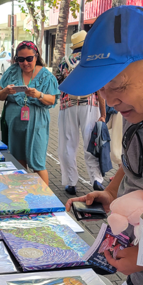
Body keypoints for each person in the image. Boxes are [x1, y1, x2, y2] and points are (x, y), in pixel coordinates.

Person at [58, 5, 143, 285]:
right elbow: (131, 162)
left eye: (120, 86)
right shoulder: (138, 118)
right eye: (103, 90)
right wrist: (112, 192)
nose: (110, 101)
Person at [0, 42, 60, 185]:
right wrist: (6, 91)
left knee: (37, 163)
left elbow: (52, 100)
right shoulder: (12, 71)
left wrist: (39, 95)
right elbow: (0, 96)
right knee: (18, 163)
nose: (25, 63)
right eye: (20, 59)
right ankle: (23, 197)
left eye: (29, 59)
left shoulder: (46, 76)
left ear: (36, 56)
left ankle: (45, 201)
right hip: (14, 126)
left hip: (36, 125)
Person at [55, 30, 106, 195]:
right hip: (90, 104)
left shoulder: (64, 62)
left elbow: (58, 83)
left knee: (68, 144)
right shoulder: (93, 60)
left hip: (68, 105)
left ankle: (71, 182)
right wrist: (103, 113)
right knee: (91, 142)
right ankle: (96, 179)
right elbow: (100, 88)